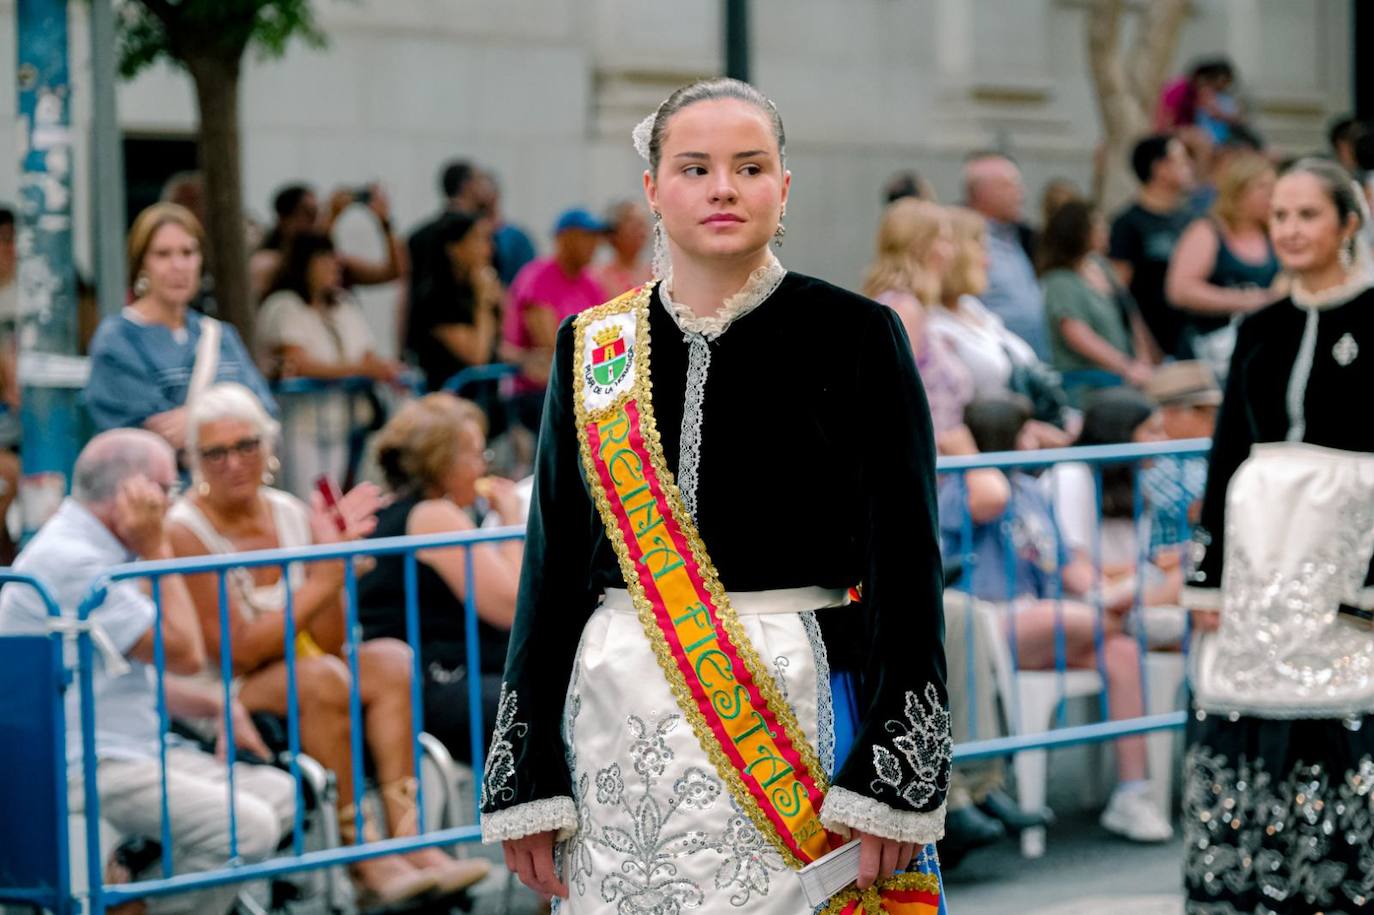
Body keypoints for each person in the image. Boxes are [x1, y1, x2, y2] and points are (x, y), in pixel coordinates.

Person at [481, 78, 950, 913]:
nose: (723, 187)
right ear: (653, 188)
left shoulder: (855, 336)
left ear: (783, 187)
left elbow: (906, 567)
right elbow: (549, 569)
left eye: (750, 166)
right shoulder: (593, 349)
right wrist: (524, 771)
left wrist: (896, 773)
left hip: (801, 712)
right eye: (694, 167)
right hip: (616, 727)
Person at [164, 383, 488, 906]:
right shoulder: (184, 529)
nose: (233, 463)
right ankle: (361, 854)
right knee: (318, 678)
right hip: (222, 696)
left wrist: (334, 575)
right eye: (214, 452)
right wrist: (321, 579)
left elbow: (334, 640)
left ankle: (409, 837)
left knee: (390, 660)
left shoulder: (288, 512)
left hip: (305, 670)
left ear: (268, 448)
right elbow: (239, 652)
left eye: (246, 445)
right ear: (195, 461)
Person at [1180, 158, 1374, 915]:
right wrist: (1208, 578)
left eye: (1308, 215)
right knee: (1249, 716)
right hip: (1262, 560)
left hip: (1348, 559)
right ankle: (1258, 888)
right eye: (1280, 217)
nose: (1290, 230)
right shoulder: (1259, 327)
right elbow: (1226, 453)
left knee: (1347, 719)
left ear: (1348, 223)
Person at [0, 429, 296, 915]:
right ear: (132, 493)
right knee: (248, 827)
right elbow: (183, 654)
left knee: (281, 794)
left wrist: (214, 704)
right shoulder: (73, 559)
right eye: (166, 489)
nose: (169, 502)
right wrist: (158, 548)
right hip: (89, 762)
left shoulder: (101, 546)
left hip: (132, 747)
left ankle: (133, 894)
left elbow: (123, 673)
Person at [940, 396, 1172, 842]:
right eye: (1026, 432)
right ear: (1002, 438)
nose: (1036, 441)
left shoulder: (1030, 491)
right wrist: (970, 455)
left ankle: (1132, 795)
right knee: (1060, 616)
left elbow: (1068, 567)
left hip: (1045, 618)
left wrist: (1104, 595)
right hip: (987, 621)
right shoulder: (962, 487)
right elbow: (991, 498)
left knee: (1121, 652)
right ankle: (1144, 622)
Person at [357, 394, 523, 762]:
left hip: (427, 681)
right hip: (443, 682)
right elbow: (511, 605)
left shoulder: (387, 514)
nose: (483, 467)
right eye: (477, 455)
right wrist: (511, 521)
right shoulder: (434, 516)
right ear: (444, 462)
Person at [85, 203, 277, 452]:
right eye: (163, 254)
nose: (178, 266)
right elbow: (148, 437)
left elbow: (265, 412)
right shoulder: (118, 339)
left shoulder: (220, 335)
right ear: (141, 264)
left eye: (187, 252)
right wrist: (230, 416)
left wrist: (195, 420)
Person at [255, 231, 404, 496]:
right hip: (299, 422)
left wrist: (384, 368)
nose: (333, 268)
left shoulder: (343, 305)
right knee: (306, 497)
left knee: (333, 497)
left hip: (341, 421)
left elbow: (367, 355)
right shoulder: (283, 306)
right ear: (306, 265)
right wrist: (360, 370)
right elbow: (298, 362)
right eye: (324, 261)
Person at [1043, 388, 1185, 649]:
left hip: (1123, 593)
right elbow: (1074, 567)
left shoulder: (1136, 485)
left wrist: (1159, 563)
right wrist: (1143, 571)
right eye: (1152, 431)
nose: (1163, 441)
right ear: (1121, 433)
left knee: (1187, 574)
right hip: (1080, 599)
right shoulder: (1071, 475)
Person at [933, 207, 1074, 445]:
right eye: (980, 249)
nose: (988, 262)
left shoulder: (972, 308)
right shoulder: (931, 323)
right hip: (993, 449)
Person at [861, 198, 974, 444]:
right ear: (920, 246)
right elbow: (892, 398)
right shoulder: (903, 308)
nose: (951, 252)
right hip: (929, 464)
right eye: (944, 240)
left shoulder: (907, 307)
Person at [1165, 152, 1281, 379]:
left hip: (1258, 351)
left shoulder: (1271, 233)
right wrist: (1248, 300)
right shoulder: (1208, 230)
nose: (1271, 196)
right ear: (1239, 190)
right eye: (1262, 187)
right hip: (1209, 352)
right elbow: (1179, 290)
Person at [500, 208, 608, 430]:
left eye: (596, 237)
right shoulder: (538, 277)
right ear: (564, 238)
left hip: (575, 382)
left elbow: (602, 337)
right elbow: (554, 345)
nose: (594, 244)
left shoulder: (591, 283)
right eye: (586, 236)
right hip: (534, 390)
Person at [1039, 200, 1156, 395]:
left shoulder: (1100, 265)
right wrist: (1126, 367)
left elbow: (1129, 312)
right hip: (1090, 384)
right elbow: (1078, 335)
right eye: (1098, 225)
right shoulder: (1060, 281)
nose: (1105, 230)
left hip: (1126, 376)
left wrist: (1144, 359)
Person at [1109, 135, 1197, 359]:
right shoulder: (1128, 224)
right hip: (1153, 351)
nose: (1190, 167)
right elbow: (1119, 293)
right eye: (1182, 160)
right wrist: (1141, 346)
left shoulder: (1193, 220)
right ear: (1160, 169)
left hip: (1195, 343)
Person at [963, 153, 1051, 359]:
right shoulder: (966, 242)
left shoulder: (1016, 236)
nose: (1021, 193)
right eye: (1010, 185)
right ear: (982, 192)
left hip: (1033, 365)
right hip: (998, 370)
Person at [405, 211, 504, 392]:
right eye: (478, 240)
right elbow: (477, 356)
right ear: (454, 249)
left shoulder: (471, 289)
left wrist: (525, 359)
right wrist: (484, 303)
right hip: (446, 402)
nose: (489, 250)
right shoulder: (434, 299)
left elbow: (495, 343)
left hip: (486, 400)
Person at [1140, 361, 1218, 559]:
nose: (1212, 418)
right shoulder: (1155, 461)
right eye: (1201, 410)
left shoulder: (1207, 452)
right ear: (1169, 413)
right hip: (1169, 565)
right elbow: (1203, 508)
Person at [591, 200, 652, 296]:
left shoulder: (656, 274)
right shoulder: (597, 277)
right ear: (615, 232)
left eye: (643, 225)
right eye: (635, 227)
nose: (642, 232)